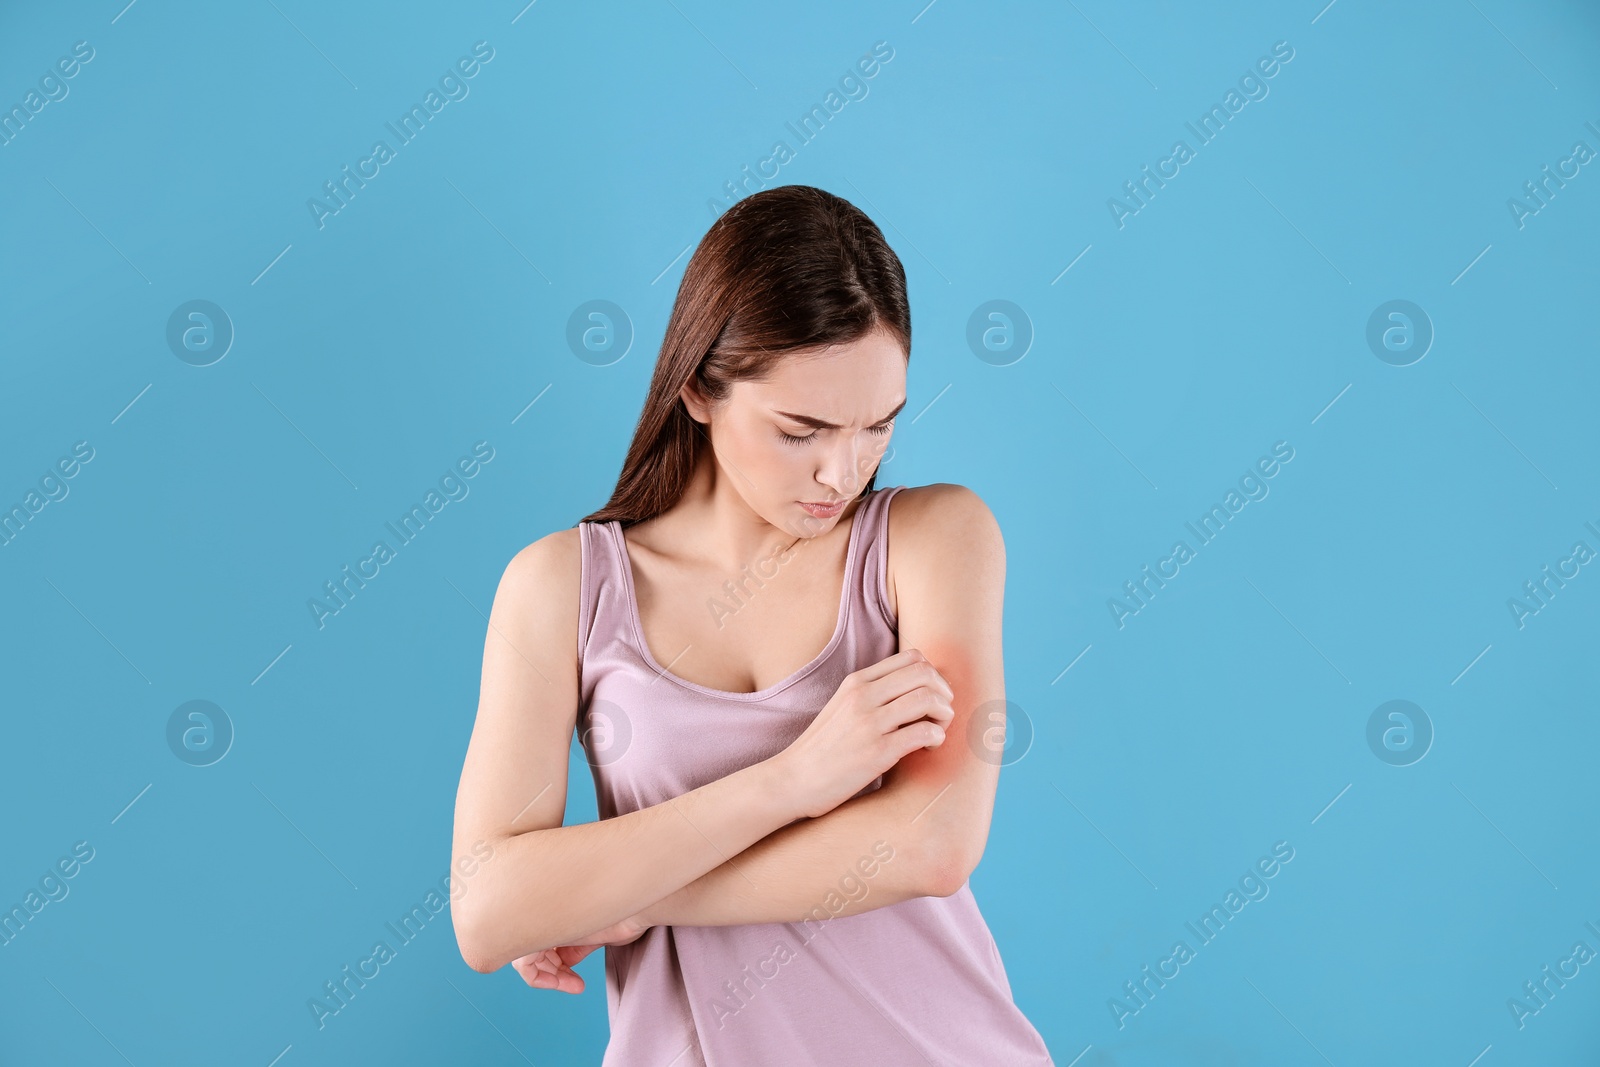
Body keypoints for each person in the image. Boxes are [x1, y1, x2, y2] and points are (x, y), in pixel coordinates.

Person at [450, 184, 1053, 1065]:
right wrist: (792, 779)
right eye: (801, 429)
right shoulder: (562, 589)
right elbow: (487, 911)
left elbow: (931, 844)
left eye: (877, 425)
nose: (842, 472)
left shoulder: (934, 539)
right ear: (698, 387)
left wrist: (632, 895)